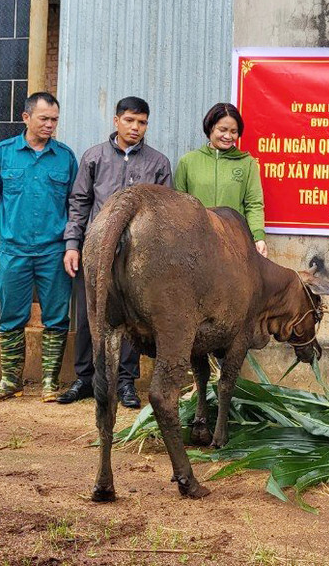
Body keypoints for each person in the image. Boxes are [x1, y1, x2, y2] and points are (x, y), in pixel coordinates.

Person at [59, 96, 172, 408]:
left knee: (133, 321)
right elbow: (79, 202)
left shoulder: (158, 163)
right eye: (130, 121)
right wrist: (72, 246)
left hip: (138, 259)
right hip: (96, 252)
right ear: (116, 121)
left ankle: (125, 382)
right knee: (88, 316)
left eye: (142, 122)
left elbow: (164, 214)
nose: (135, 128)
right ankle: (84, 378)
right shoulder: (94, 157)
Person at [0, 92, 78, 402]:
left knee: (57, 317)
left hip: (53, 251)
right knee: (10, 316)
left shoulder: (65, 157)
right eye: (44, 119)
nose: (50, 125)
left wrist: (71, 245)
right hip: (12, 249)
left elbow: (75, 205)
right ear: (26, 118)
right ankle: (10, 380)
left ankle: (49, 382)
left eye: (55, 120)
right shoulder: (3, 154)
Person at [174, 103, 267, 257]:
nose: (228, 136)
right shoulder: (188, 162)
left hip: (234, 240)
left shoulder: (246, 162)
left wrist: (258, 237)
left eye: (234, 131)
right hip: (196, 241)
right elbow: (179, 205)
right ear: (210, 128)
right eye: (222, 130)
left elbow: (254, 204)